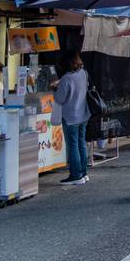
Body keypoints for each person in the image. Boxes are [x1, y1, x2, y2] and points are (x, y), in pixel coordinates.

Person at [52, 51, 90, 185]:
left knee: (73, 146)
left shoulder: (66, 79)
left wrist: (55, 89)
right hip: (83, 114)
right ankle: (83, 173)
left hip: (70, 117)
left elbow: (60, 98)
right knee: (81, 144)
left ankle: (75, 175)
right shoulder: (83, 73)